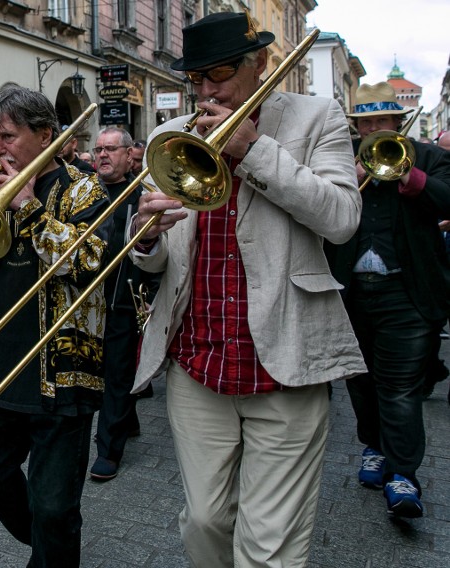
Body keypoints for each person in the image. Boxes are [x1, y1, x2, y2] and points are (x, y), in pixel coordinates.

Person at [130, 12, 365, 567]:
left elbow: (341, 219)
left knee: (269, 546)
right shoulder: (169, 136)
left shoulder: (317, 117)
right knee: (205, 520)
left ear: (261, 65)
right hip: (198, 361)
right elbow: (154, 257)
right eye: (196, 79)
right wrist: (144, 238)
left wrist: (252, 149)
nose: (206, 91)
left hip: (284, 358)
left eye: (218, 75)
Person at [0, 85, 111, 567]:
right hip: (0, 366)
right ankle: (46, 544)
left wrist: (29, 206)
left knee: (56, 505)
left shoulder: (83, 187)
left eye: (7, 137)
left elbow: (89, 261)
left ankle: (50, 548)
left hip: (61, 372)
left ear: (45, 135)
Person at [325, 82, 450, 518]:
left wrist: (411, 179)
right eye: (367, 124)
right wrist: (345, 184)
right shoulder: (341, 160)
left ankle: (404, 474)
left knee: (400, 389)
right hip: (352, 291)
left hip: (406, 292)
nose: (375, 130)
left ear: (400, 123)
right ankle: (373, 448)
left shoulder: (431, 158)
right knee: (359, 381)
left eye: (383, 122)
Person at [89, 127, 160, 482]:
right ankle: (127, 421)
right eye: (98, 149)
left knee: (116, 374)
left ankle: (108, 450)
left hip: (124, 297)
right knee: (103, 371)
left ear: (129, 154)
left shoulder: (142, 192)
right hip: (88, 299)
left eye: (111, 149)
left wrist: (151, 295)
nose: (102, 155)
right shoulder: (84, 191)